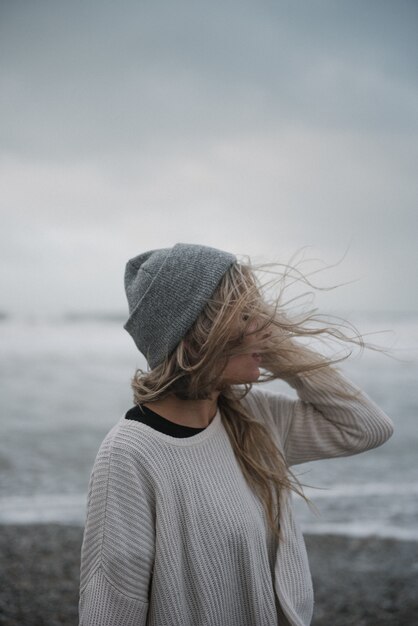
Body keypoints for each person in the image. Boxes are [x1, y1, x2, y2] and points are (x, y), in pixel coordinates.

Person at [79, 243, 394, 626]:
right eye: (246, 314)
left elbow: (366, 426)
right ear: (197, 334)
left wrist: (268, 344)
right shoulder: (132, 452)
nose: (267, 325)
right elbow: (113, 603)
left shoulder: (254, 416)